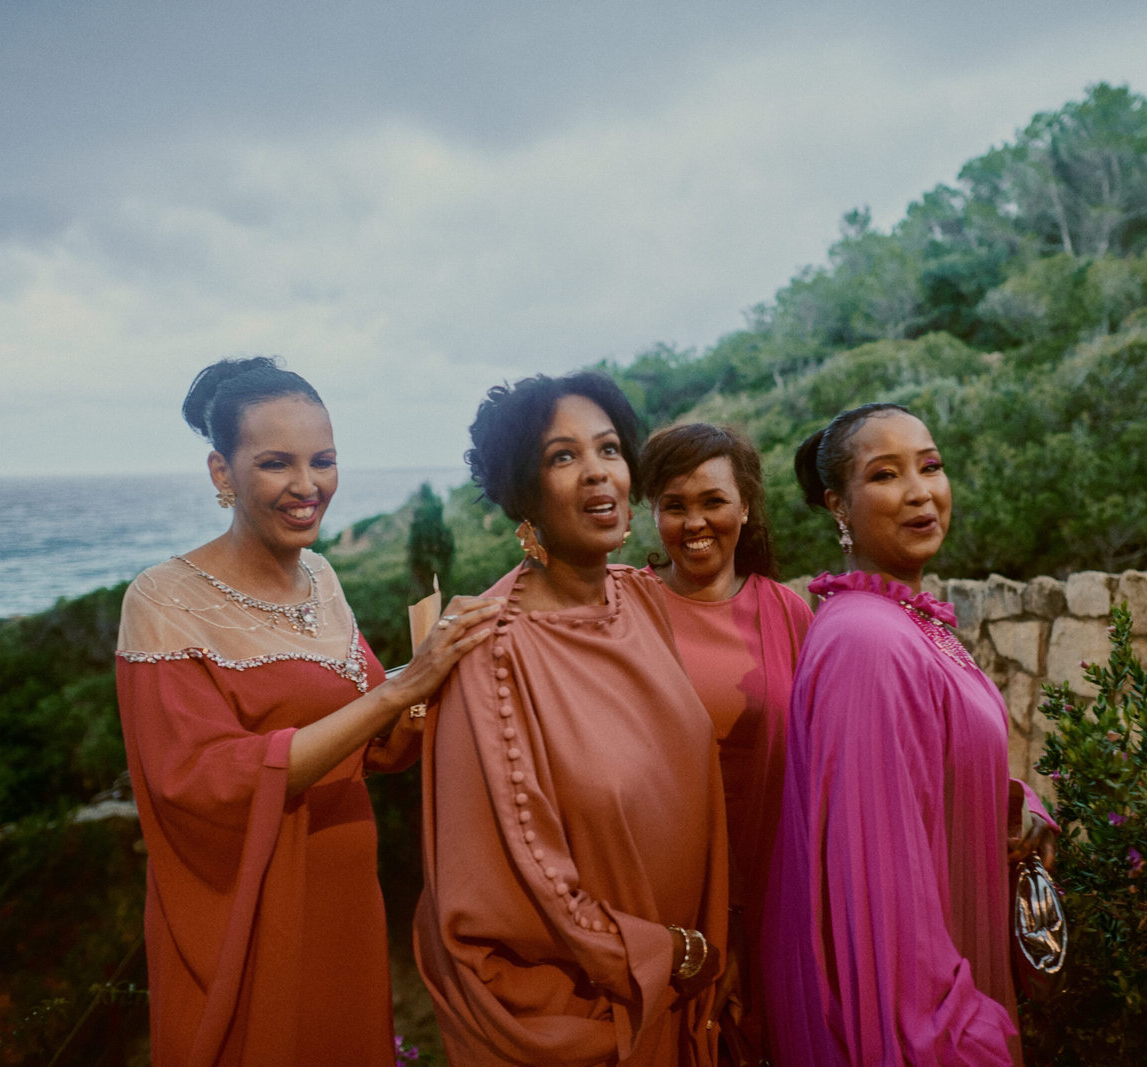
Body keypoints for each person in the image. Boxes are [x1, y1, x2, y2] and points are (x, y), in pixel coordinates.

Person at [115, 356, 499, 1067]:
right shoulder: (162, 600)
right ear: (220, 473)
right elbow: (194, 778)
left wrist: (458, 669)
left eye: (323, 460)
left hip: (348, 903)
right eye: (275, 463)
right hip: (256, 914)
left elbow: (379, 741)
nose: (307, 485)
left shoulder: (321, 575)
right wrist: (401, 689)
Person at [414, 372, 728, 1067]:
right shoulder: (494, 650)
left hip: (683, 993)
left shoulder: (641, 599)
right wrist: (668, 952)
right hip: (593, 1010)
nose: (598, 474)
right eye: (563, 456)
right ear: (523, 494)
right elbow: (515, 879)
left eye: (609, 449)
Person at [763, 402, 1060, 1067]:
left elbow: (926, 777)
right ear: (838, 505)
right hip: (921, 1034)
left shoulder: (912, 625)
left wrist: (1014, 809)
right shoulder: (868, 640)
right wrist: (962, 1038)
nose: (921, 491)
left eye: (931, 466)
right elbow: (880, 899)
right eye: (887, 474)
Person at [638, 422, 811, 1062]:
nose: (694, 522)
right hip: (665, 895)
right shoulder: (623, 606)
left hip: (772, 889)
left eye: (712, 501)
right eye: (673, 506)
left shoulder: (788, 613)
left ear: (745, 505)